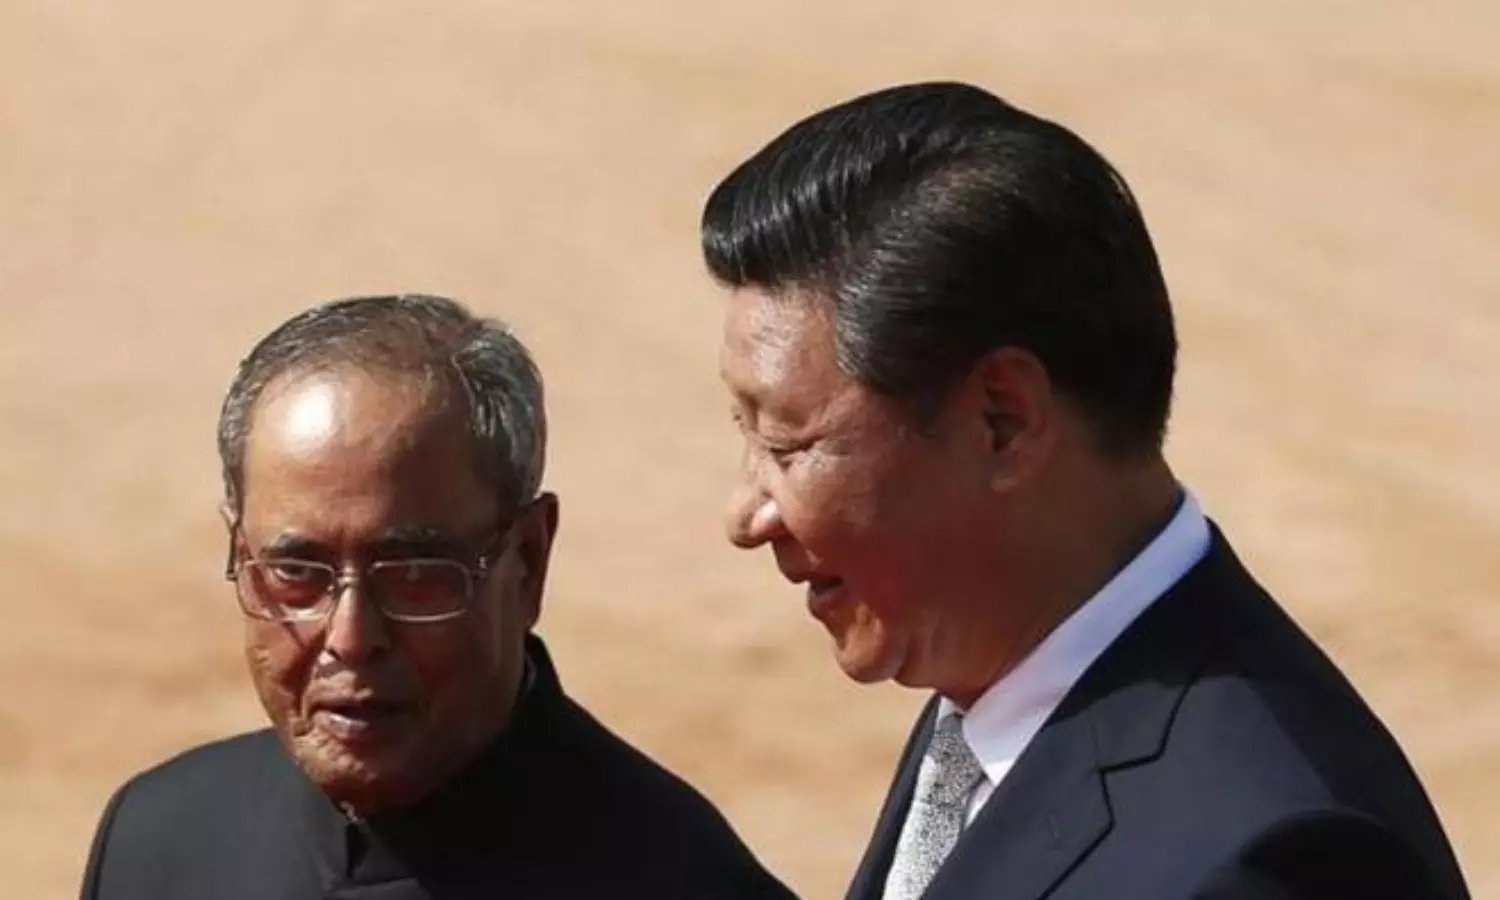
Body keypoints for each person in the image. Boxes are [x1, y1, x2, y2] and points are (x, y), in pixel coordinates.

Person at [702, 82, 1470, 900]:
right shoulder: (999, 691)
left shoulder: (1269, 858)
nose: (746, 515)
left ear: (1003, 422)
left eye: (787, 442)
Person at [79, 294, 795, 900]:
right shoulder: (159, 844)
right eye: (297, 572)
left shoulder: (685, 883)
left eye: (415, 573)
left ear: (528, 562)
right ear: (241, 555)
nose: (351, 639)